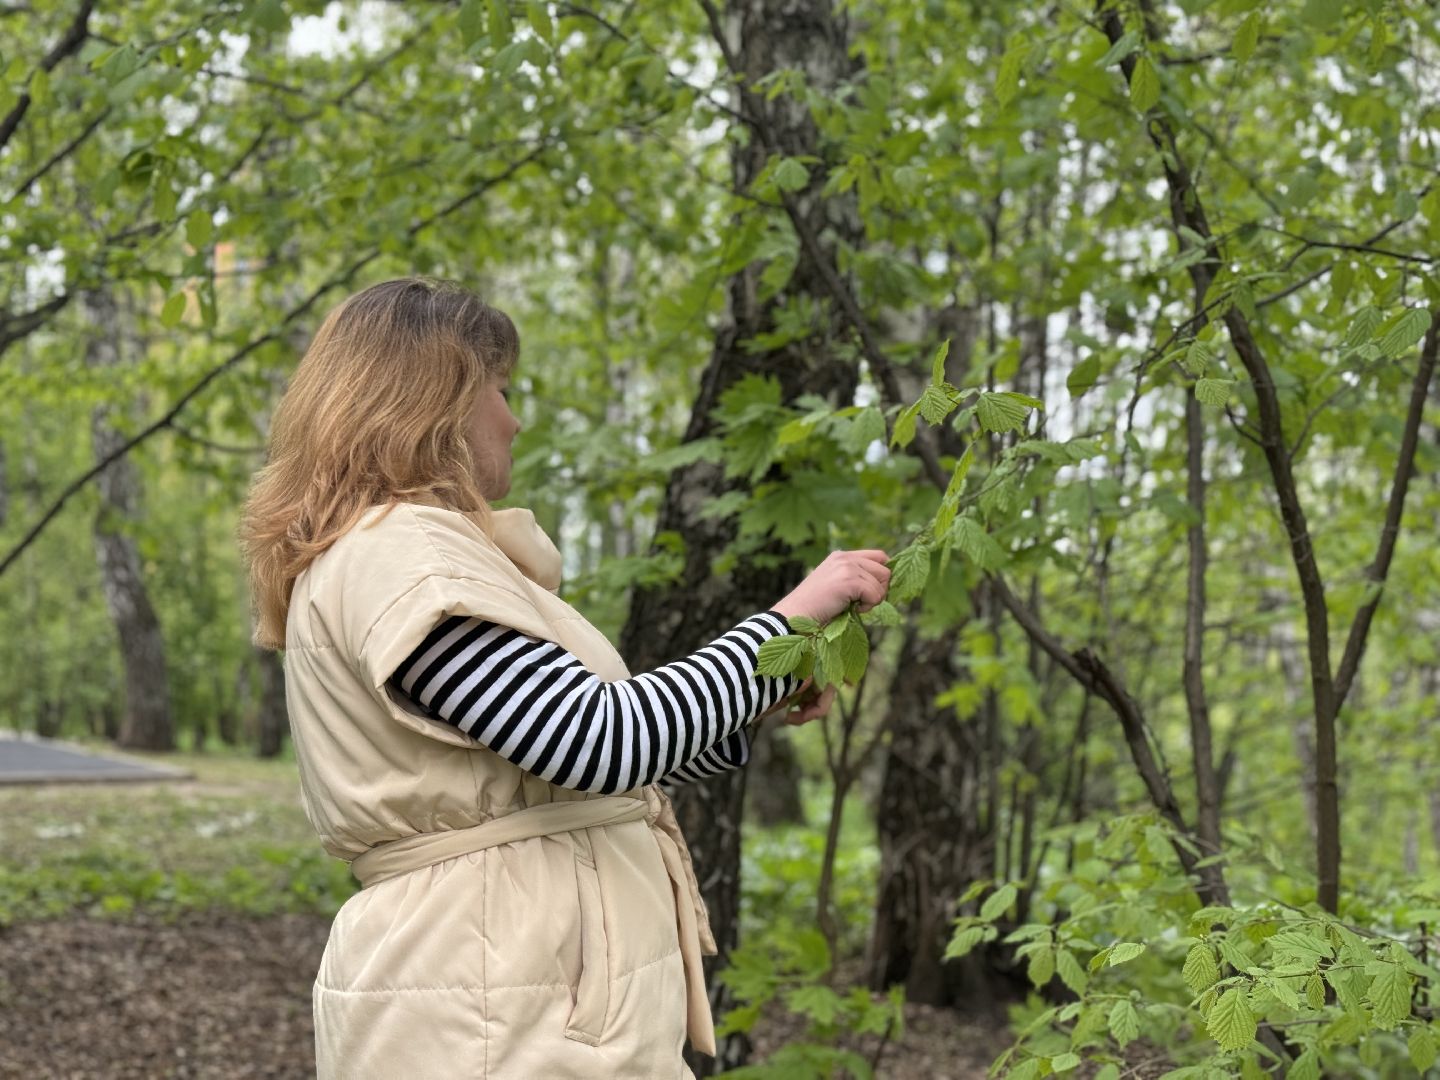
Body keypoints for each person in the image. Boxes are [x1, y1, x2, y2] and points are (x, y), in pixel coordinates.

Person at [239, 277, 890, 1079]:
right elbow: (597, 742)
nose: (515, 419)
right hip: (489, 996)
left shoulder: (405, 552)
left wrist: (754, 698)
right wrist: (788, 621)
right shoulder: (401, 552)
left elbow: (563, 765)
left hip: (506, 983)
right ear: (432, 402)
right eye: (501, 390)